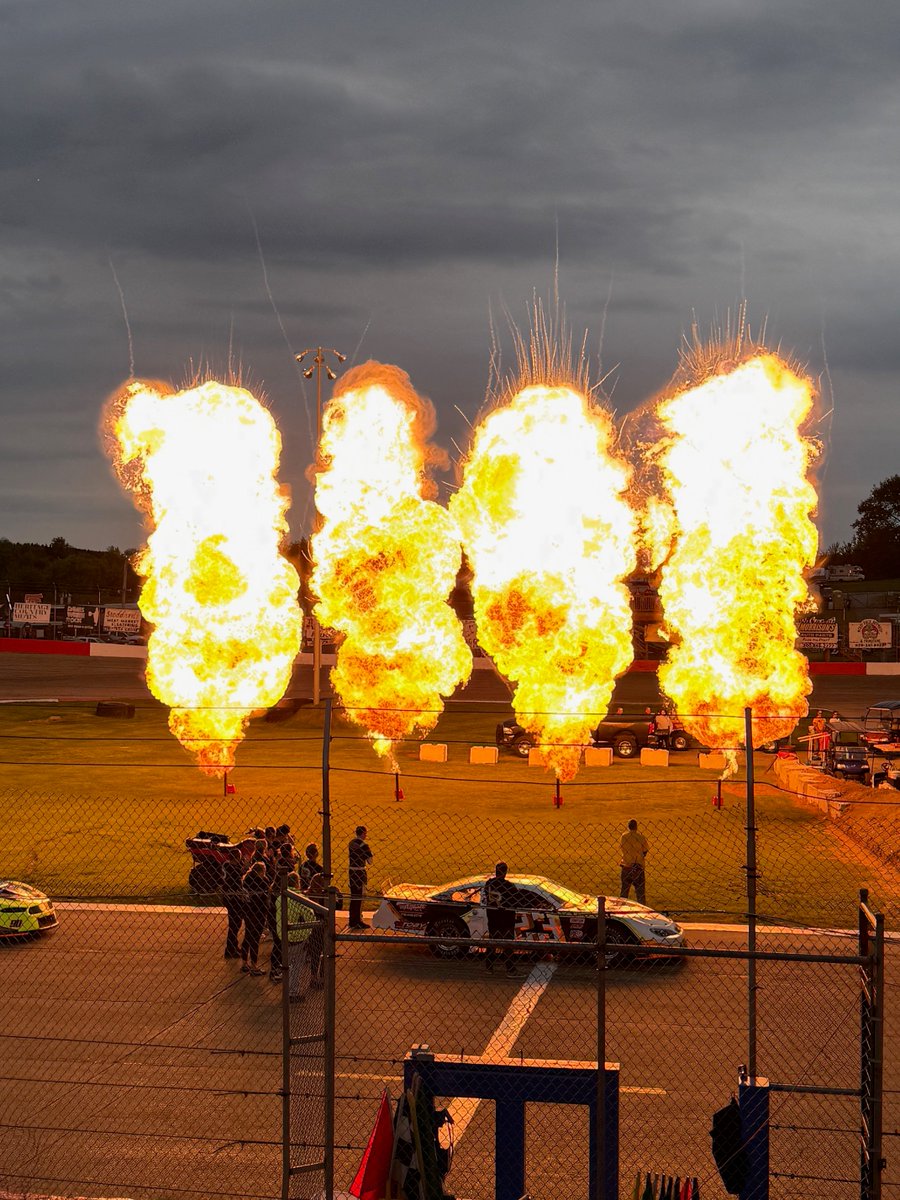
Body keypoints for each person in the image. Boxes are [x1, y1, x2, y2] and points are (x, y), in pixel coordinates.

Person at [279, 871, 316, 1001]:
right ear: (297, 883)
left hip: (283, 935)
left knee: (287, 965)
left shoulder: (281, 897)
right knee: (297, 965)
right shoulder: (299, 898)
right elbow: (310, 916)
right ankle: (292, 992)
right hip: (298, 936)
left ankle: (287, 990)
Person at [484, 861, 520, 977]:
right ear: (505, 872)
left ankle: (488, 967)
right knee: (508, 946)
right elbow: (516, 901)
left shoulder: (489, 884)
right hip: (506, 920)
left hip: (493, 917)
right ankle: (510, 970)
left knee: (492, 944)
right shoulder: (509, 886)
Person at [240, 861, 270, 976]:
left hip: (248, 911)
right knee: (255, 939)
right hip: (259, 912)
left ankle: (244, 962)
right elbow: (266, 896)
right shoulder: (263, 881)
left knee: (248, 936)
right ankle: (254, 965)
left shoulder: (246, 880)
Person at [221, 847, 246, 959]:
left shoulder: (227, 866)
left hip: (228, 897)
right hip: (234, 899)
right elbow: (238, 876)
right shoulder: (234, 870)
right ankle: (230, 949)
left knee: (234, 924)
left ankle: (233, 947)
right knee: (235, 924)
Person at [348, 826, 373, 930]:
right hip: (360, 872)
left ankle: (352, 919)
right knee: (360, 897)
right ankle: (358, 920)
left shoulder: (351, 843)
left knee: (353, 896)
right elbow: (370, 861)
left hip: (351, 871)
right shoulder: (364, 845)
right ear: (363, 833)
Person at [620, 819, 649, 905]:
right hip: (638, 867)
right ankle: (643, 911)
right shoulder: (641, 837)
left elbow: (622, 848)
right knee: (640, 893)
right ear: (636, 827)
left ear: (628, 827)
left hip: (626, 866)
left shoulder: (624, 837)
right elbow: (645, 850)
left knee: (624, 892)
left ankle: (621, 910)